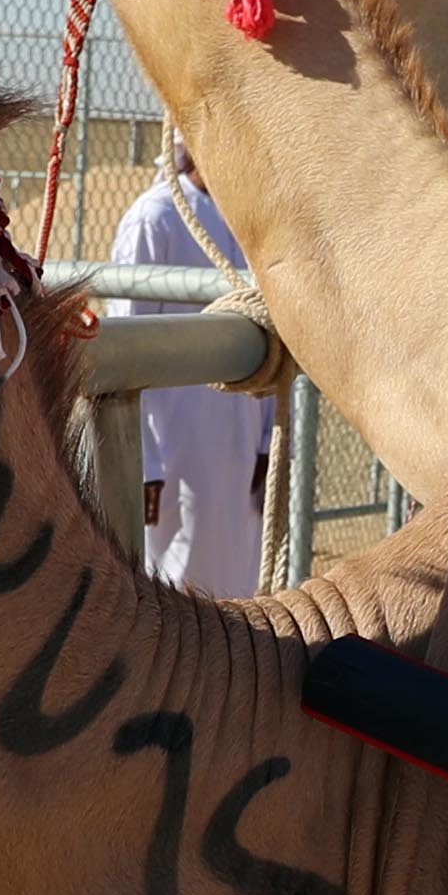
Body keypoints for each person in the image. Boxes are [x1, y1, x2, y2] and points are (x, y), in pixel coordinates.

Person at [98, 144, 276, 598]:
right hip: (176, 449)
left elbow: (270, 335)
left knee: (239, 583)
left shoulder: (244, 216)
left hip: (239, 443)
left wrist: (264, 441)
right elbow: (125, 347)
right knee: (179, 586)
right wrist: (145, 465)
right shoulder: (154, 220)